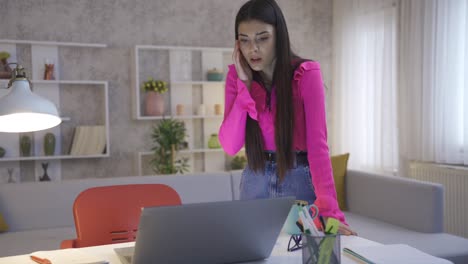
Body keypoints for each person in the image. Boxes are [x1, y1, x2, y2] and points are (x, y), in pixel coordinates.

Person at [219, 0, 356, 235]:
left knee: (307, 257)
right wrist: (244, 86)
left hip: (298, 181)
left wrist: (332, 214)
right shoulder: (236, 78)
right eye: (244, 40)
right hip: (255, 180)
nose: (253, 48)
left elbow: (318, 146)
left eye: (262, 38)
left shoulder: (306, 73)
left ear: (279, 36)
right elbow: (230, 145)